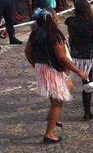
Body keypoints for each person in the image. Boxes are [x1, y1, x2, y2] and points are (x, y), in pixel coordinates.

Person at [24, 8, 88, 143]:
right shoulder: (54, 34)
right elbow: (62, 58)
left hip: (42, 69)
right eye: (56, 16)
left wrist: (36, 65)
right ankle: (49, 134)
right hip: (53, 71)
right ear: (51, 18)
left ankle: (53, 120)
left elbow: (28, 52)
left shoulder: (34, 33)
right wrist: (79, 72)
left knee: (58, 97)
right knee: (57, 103)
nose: (58, 19)